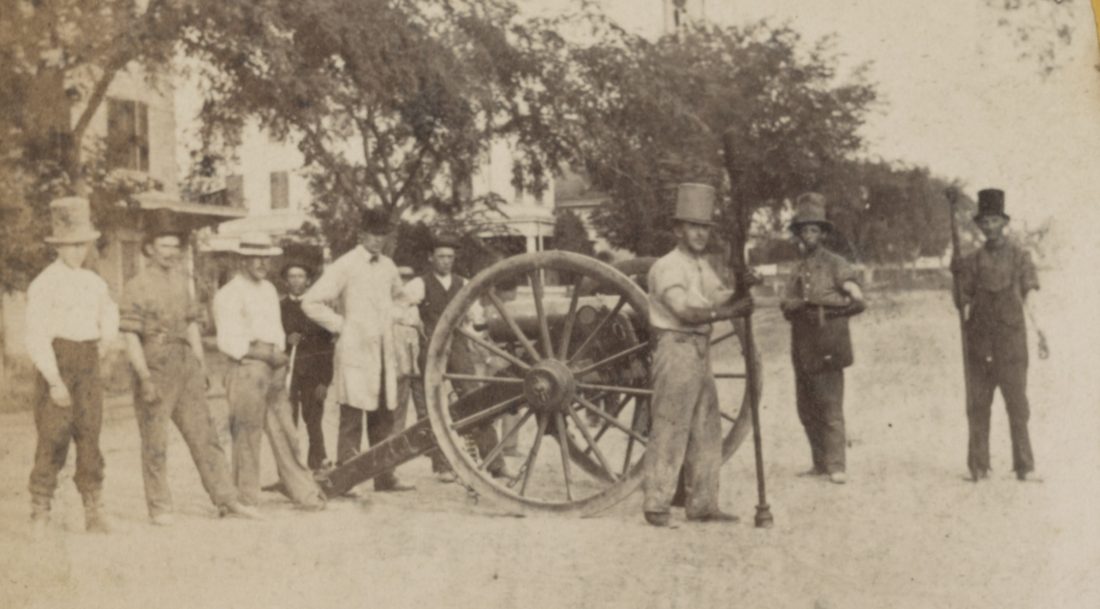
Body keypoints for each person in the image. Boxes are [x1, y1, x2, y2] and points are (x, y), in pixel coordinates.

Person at [120, 210, 260, 525]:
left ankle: (226, 498)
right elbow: (130, 336)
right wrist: (143, 377)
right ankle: (159, 507)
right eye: (164, 246)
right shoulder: (136, 285)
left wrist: (200, 364)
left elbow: (192, 326)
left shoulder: (183, 282)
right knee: (155, 440)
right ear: (149, 248)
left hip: (185, 364)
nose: (170, 252)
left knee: (205, 435)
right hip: (154, 365)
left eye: (174, 246)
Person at [643, 183, 753, 527]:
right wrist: (726, 313)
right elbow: (685, 311)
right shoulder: (668, 267)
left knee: (707, 429)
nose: (701, 234)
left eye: (704, 227)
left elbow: (718, 296)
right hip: (676, 348)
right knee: (670, 426)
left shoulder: (701, 266)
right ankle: (657, 504)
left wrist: (742, 288)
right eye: (694, 227)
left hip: (699, 352)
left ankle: (703, 503)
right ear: (678, 230)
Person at [301, 209, 414, 492]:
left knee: (384, 416)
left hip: (384, 350)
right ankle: (347, 479)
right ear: (361, 235)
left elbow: (401, 298)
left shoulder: (388, 265)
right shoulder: (345, 265)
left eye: (382, 235)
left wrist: (396, 314)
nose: (378, 240)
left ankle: (384, 475)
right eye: (373, 235)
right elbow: (311, 301)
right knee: (352, 416)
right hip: (355, 350)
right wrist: (342, 326)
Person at [25, 197, 119, 535]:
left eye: (83, 245)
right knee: (53, 437)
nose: (78, 252)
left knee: (90, 435)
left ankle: (93, 509)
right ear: (58, 247)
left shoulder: (93, 282)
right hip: (59, 361)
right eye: (71, 245)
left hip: (87, 362)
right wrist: (53, 380)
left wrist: (107, 341)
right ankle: (40, 512)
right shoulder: (44, 284)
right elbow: (36, 336)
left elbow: (109, 312)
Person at [212, 233, 327, 510]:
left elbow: (276, 330)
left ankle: (302, 490)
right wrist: (263, 354)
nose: (262, 263)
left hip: (274, 365)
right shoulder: (228, 294)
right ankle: (245, 497)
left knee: (287, 432)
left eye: (266, 257)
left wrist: (281, 357)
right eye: (255, 257)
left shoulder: (267, 290)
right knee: (247, 435)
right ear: (242, 260)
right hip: (247, 365)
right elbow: (229, 341)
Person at [953, 188, 1048, 482]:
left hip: (1011, 342)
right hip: (979, 342)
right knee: (978, 405)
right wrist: (956, 278)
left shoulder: (1020, 257)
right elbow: (962, 301)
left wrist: (1041, 330)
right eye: (985, 222)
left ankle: (1025, 466)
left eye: (994, 220)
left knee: (1017, 405)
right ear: (979, 226)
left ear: (1003, 222)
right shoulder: (970, 260)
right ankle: (979, 466)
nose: (989, 227)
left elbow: (1030, 294)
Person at [404, 235, 511, 482]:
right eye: (441, 257)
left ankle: (495, 463)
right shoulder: (419, 284)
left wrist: (482, 330)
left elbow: (475, 316)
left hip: (459, 348)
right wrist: (414, 322)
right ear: (431, 258)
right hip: (430, 350)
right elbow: (399, 308)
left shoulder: (463, 283)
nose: (446, 262)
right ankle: (442, 465)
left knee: (475, 400)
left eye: (450, 257)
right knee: (431, 407)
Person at [780, 192, 866, 485]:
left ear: (823, 233)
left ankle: (836, 464)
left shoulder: (835, 263)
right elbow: (786, 301)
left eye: (814, 229)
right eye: (804, 229)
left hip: (827, 338)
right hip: (801, 339)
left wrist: (838, 309)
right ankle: (819, 462)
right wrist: (795, 306)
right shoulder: (797, 267)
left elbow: (855, 292)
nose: (809, 235)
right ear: (799, 234)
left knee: (830, 404)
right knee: (806, 406)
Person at [280, 261, 335, 471]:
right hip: (289, 373)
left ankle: (318, 463)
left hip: (314, 375)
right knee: (288, 421)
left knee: (314, 421)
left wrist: (325, 381)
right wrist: (287, 339)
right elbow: (274, 338)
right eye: (292, 277)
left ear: (308, 281)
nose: (296, 281)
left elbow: (328, 348)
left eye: (300, 276)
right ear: (286, 281)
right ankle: (290, 469)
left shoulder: (318, 309)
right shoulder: (280, 308)